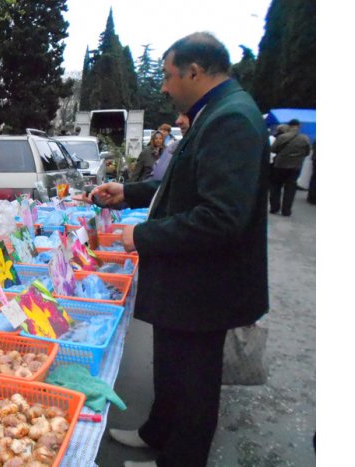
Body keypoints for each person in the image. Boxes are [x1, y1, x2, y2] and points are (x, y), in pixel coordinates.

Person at [74, 32, 269, 467]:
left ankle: (180, 458)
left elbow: (220, 218)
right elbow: (181, 186)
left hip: (205, 289)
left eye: (168, 75)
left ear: (195, 73)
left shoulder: (230, 118)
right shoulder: (214, 111)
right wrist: (127, 192)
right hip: (188, 284)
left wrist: (140, 237)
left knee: (193, 383)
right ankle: (157, 431)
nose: (163, 86)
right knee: (172, 369)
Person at [269, 118, 312, 216]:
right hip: (295, 166)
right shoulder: (305, 138)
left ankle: (274, 208)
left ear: (289, 126)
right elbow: (307, 152)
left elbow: (273, 149)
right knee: (290, 189)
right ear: (299, 126)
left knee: (276, 186)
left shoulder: (282, 137)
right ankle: (286, 211)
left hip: (280, 165)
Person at [151, 113, 190, 181]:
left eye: (185, 114)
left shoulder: (173, 144)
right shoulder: (172, 147)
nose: (178, 121)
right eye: (162, 130)